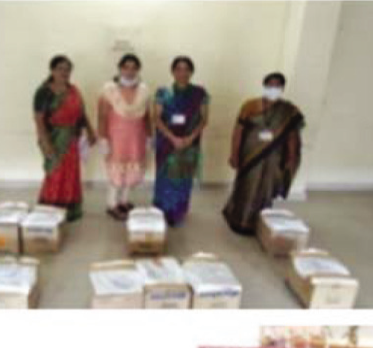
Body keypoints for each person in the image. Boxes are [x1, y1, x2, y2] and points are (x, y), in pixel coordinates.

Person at [222, 72, 305, 234]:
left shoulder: (289, 111)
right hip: (249, 156)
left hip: (274, 159)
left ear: (282, 88)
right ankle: (238, 220)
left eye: (277, 86)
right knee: (245, 187)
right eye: (270, 85)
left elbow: (292, 136)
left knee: (265, 191)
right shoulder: (250, 106)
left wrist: (291, 157)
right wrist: (234, 154)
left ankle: (260, 224)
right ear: (264, 86)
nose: (273, 89)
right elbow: (238, 131)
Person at [33, 55, 96, 222]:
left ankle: (69, 209)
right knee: (54, 173)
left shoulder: (73, 90)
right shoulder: (43, 92)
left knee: (71, 174)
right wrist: (46, 143)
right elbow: (39, 120)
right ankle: (50, 209)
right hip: (53, 138)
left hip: (72, 139)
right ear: (52, 70)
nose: (64, 72)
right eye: (60, 68)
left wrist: (90, 131)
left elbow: (81, 113)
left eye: (67, 69)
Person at [152, 56, 210, 226]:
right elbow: (156, 118)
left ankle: (178, 211)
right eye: (178, 69)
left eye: (186, 69)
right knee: (165, 176)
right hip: (166, 143)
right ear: (172, 71)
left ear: (191, 72)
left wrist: (189, 138)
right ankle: (162, 209)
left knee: (183, 177)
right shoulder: (163, 92)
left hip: (190, 144)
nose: (182, 73)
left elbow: (204, 120)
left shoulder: (200, 93)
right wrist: (173, 138)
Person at [97, 53, 152, 220]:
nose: (130, 71)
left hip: (136, 138)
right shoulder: (109, 90)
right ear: (120, 68)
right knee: (116, 171)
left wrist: (150, 136)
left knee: (132, 169)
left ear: (138, 70)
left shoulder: (144, 90)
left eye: (134, 68)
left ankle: (124, 200)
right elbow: (101, 116)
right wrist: (103, 138)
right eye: (126, 67)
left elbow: (147, 116)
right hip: (116, 138)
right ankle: (112, 204)